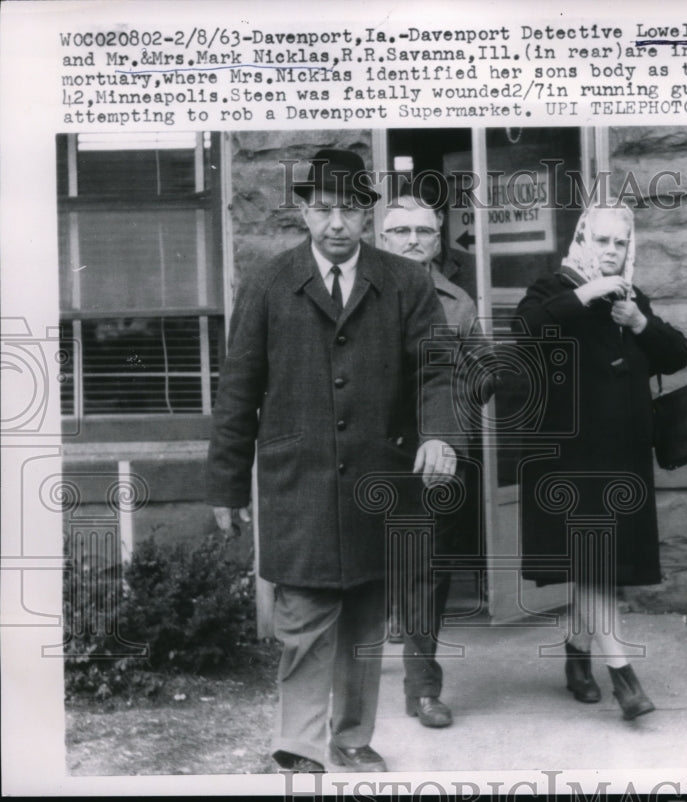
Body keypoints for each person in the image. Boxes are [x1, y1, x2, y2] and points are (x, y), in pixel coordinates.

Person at [206, 149, 461, 773]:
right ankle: (298, 744)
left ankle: (351, 737)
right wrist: (226, 485)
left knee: (366, 618)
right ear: (304, 212)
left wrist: (439, 434)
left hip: (381, 477)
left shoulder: (404, 282)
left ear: (367, 215)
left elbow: (438, 368)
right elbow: (238, 389)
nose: (337, 224)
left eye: (349, 210)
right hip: (301, 483)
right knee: (303, 617)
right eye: (324, 210)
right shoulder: (270, 283)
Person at [515, 204, 687, 720]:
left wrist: (639, 322)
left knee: (600, 566)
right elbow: (526, 329)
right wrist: (586, 294)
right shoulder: (551, 289)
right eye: (602, 241)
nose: (611, 251)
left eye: (620, 243)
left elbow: (677, 355)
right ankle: (623, 677)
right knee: (593, 564)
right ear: (582, 241)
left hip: (622, 457)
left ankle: (575, 653)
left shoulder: (633, 299)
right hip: (569, 458)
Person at [379, 193, 493, 729]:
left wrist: (453, 407)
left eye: (424, 231)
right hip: (369, 452)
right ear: (381, 238)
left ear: (438, 237)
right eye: (400, 231)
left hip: (437, 456)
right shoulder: (358, 296)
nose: (413, 241)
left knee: (427, 568)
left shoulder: (458, 302)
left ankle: (422, 688)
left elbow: (490, 372)